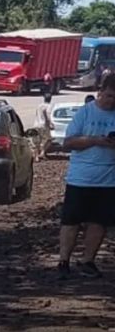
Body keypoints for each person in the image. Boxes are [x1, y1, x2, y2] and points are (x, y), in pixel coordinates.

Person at [57, 74, 115, 279]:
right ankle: (63, 260)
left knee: (99, 223)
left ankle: (88, 260)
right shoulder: (85, 113)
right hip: (80, 178)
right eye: (108, 96)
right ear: (100, 92)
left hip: (108, 179)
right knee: (71, 221)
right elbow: (68, 143)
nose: (111, 101)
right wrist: (94, 141)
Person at [32, 93, 54, 162]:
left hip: (36, 124)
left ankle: (36, 157)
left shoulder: (39, 106)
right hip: (43, 125)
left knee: (36, 142)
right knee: (49, 139)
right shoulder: (49, 106)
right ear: (50, 99)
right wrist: (50, 124)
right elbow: (47, 114)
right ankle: (42, 152)